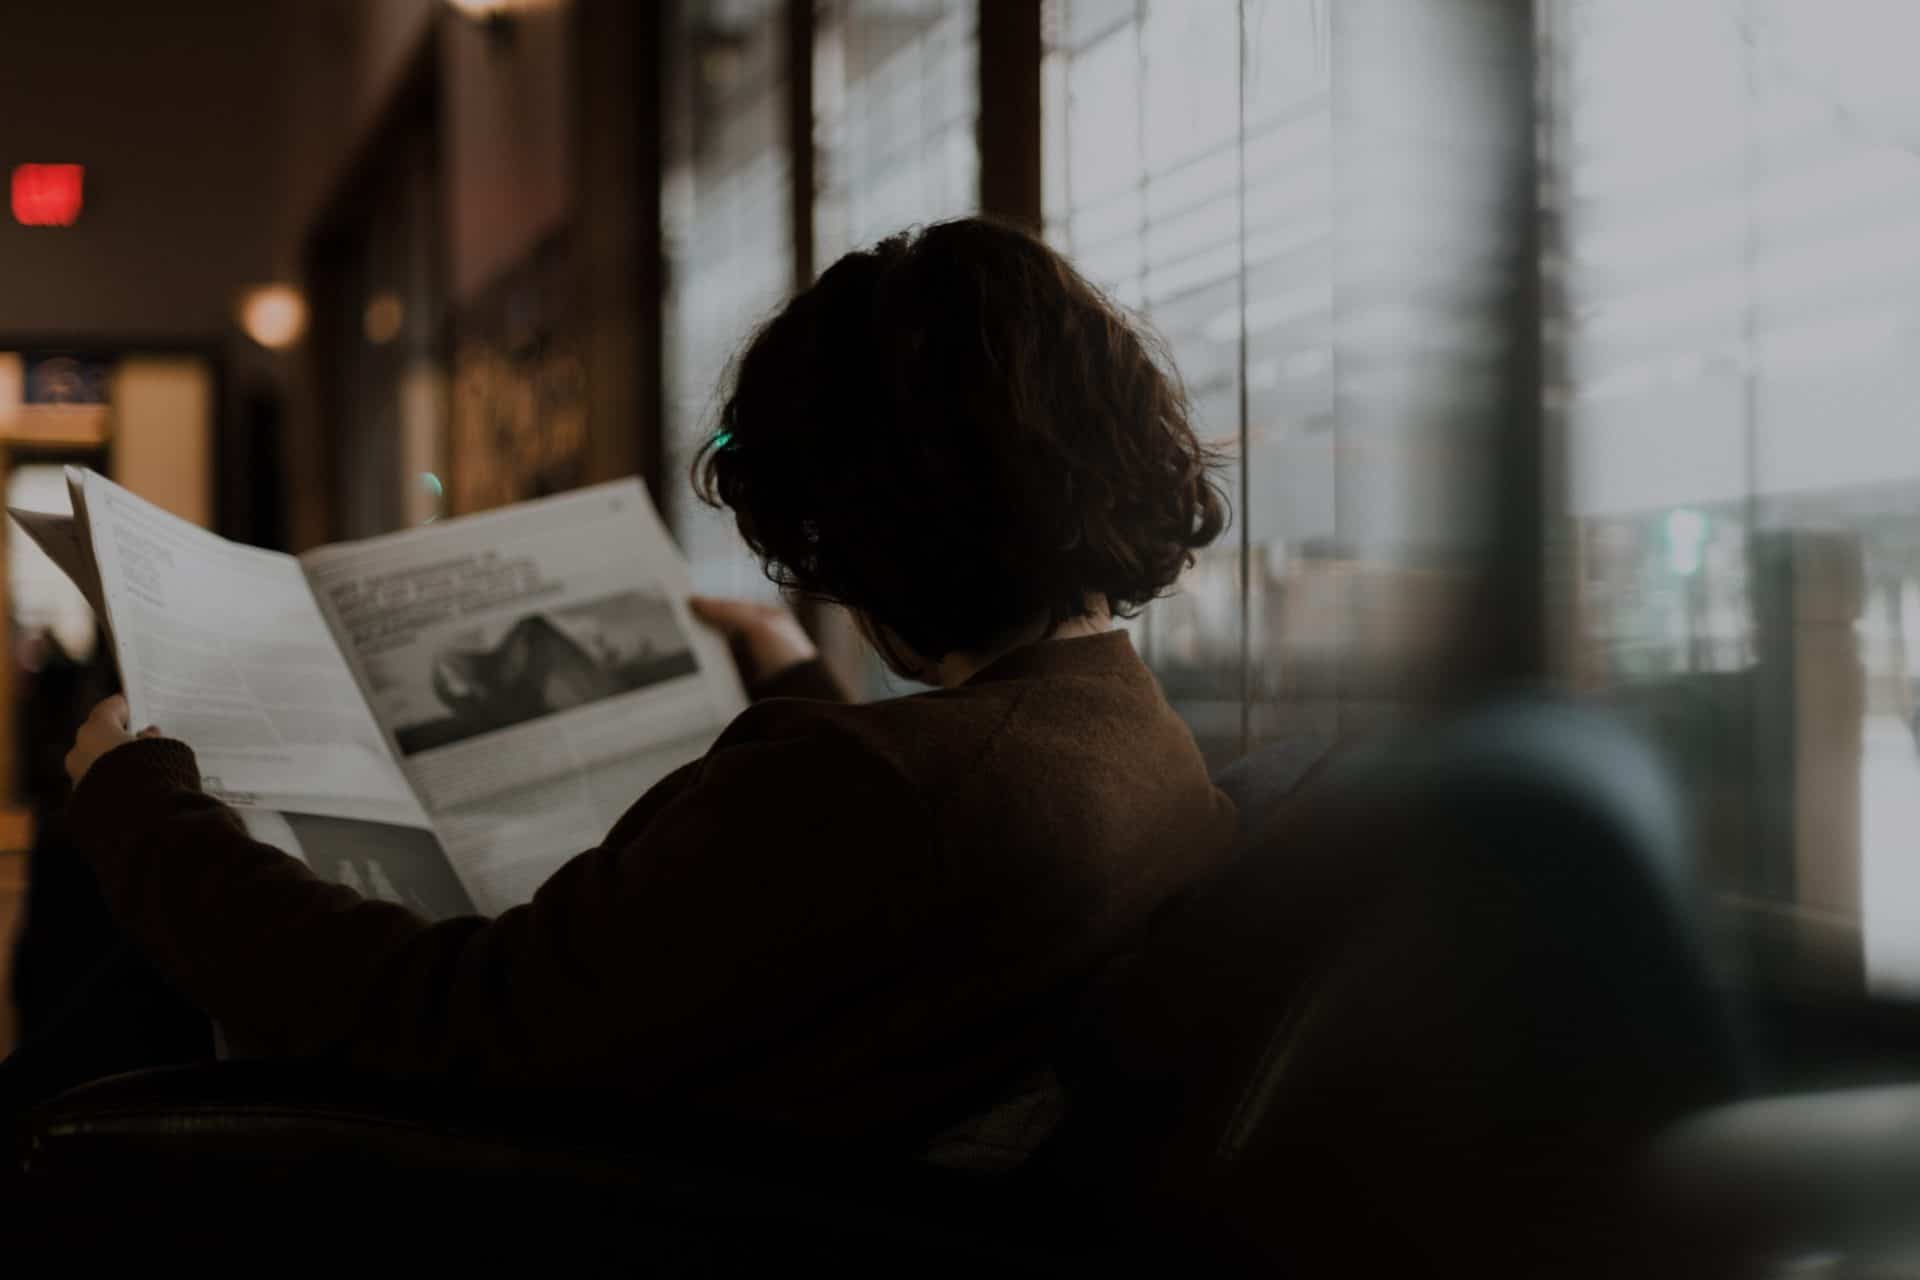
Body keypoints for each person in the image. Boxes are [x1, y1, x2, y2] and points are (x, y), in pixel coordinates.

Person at [11, 218, 1238, 1167]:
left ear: (856, 521)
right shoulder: (1126, 739)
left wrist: (138, 809)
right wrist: (796, 673)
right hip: (716, 1154)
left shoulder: (862, 787)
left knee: (112, 910)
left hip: (552, 1198)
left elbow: (438, 1023)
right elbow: (886, 851)